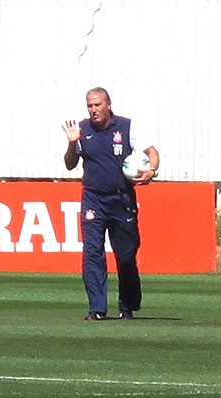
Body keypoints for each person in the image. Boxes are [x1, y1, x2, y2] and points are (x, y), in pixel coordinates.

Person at [62, 87, 160, 321]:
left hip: (121, 199)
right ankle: (97, 308)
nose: (93, 110)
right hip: (93, 199)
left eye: (97, 105)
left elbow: (152, 153)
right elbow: (69, 164)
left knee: (126, 255)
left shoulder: (126, 127)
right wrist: (71, 144)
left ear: (108, 105)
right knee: (92, 252)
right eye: (90, 105)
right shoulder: (82, 130)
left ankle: (128, 304)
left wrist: (151, 171)